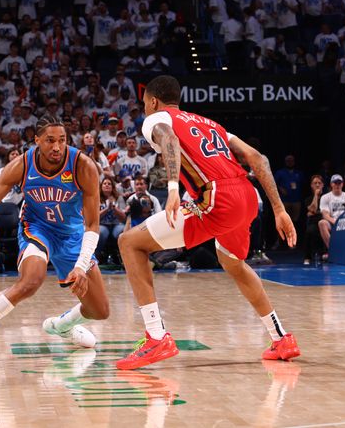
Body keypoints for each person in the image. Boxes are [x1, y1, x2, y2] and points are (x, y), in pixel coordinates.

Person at [115, 75, 299, 370]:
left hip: (216, 199)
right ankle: (281, 338)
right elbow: (258, 158)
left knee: (129, 243)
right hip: (247, 197)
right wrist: (278, 209)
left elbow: (170, 140)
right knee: (233, 262)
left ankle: (156, 336)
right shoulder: (209, 124)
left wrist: (173, 189)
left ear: (152, 101)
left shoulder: (155, 119)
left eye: (146, 104)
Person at [0, 115, 109, 366]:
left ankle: (62, 326)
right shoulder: (21, 165)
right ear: (37, 140)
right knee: (31, 281)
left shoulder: (83, 166)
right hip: (36, 228)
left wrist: (81, 265)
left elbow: (93, 224)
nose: (56, 147)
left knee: (100, 311)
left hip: (72, 234)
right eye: (50, 140)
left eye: (62, 140)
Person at [317, 175, 345, 251]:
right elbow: (325, 215)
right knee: (322, 223)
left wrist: (342, 222)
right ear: (331, 184)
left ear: (342, 184)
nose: (337, 185)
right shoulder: (325, 197)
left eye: (339, 183)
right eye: (335, 183)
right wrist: (335, 222)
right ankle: (333, 250)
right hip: (332, 222)